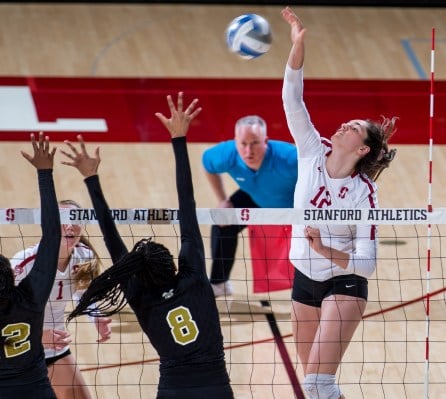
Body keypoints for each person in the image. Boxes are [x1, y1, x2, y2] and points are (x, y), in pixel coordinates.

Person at [62, 92, 234, 399]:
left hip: (172, 390)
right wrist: (179, 140)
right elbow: (187, 201)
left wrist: (91, 179)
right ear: (173, 263)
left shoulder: (140, 296)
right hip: (215, 389)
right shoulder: (194, 279)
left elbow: (111, 240)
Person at [281, 7, 398, 399]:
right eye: (348, 122)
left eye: (355, 128)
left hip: (344, 284)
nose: (345, 124)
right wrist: (298, 45)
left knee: (318, 383)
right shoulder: (311, 152)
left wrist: (324, 248)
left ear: (362, 148)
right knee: (312, 387)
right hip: (303, 280)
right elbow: (291, 98)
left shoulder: (365, 192)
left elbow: (367, 263)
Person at [11, 199, 110, 399]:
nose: (70, 225)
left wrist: (95, 316)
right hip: (16, 351)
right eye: (63, 219)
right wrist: (37, 336)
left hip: (54, 349)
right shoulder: (23, 263)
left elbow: (83, 292)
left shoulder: (85, 256)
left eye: (75, 219)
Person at [202, 114, 298, 296]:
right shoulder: (226, 154)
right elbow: (208, 165)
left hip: (292, 207)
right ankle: (219, 283)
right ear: (235, 141)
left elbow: (318, 179)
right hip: (255, 197)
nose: (248, 151)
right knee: (224, 222)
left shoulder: (291, 159)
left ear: (266, 141)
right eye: (243, 144)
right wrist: (223, 200)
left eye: (254, 143)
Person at [0, 132, 61, 398]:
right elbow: (53, 236)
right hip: (36, 390)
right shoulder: (31, 298)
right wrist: (45, 174)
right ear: (12, 275)